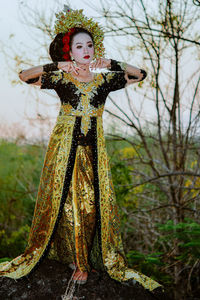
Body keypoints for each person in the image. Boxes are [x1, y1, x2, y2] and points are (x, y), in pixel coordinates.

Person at [0, 5, 164, 295]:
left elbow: (140, 74)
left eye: (90, 45)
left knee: (90, 206)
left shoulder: (103, 80)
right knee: (68, 202)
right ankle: (77, 263)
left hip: (94, 152)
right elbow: (24, 75)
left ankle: (87, 261)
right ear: (70, 52)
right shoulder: (62, 79)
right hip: (64, 150)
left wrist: (111, 61)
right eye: (79, 46)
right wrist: (57, 66)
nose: (86, 50)